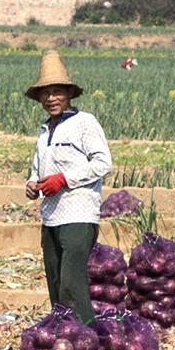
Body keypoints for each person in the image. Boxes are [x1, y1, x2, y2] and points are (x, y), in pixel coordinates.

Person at [23, 51, 108, 319]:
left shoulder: (85, 123)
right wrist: (31, 184)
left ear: (69, 94)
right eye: (45, 94)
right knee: (56, 284)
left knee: (71, 283)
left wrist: (64, 179)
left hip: (78, 214)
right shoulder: (44, 129)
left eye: (57, 92)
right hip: (50, 217)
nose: (51, 99)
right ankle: (63, 335)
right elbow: (37, 168)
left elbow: (103, 163)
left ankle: (86, 338)